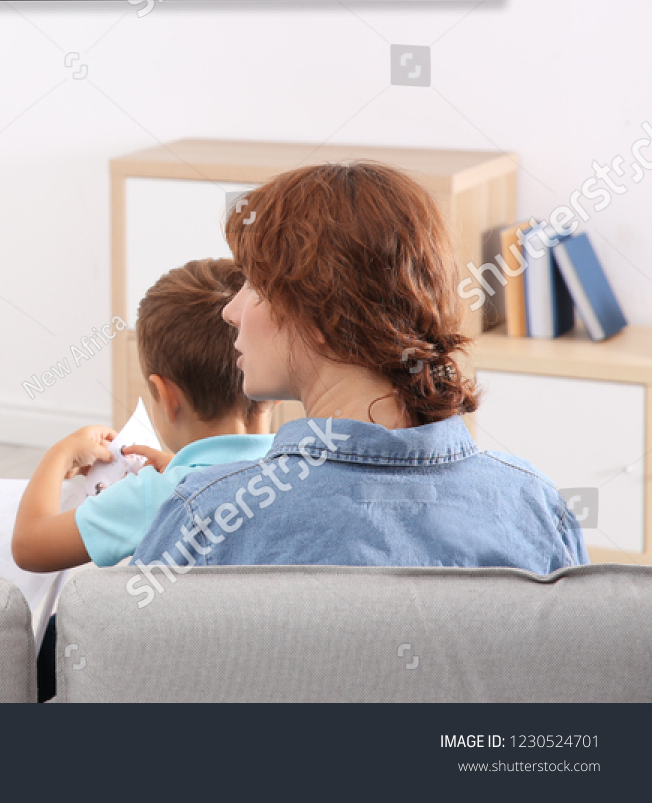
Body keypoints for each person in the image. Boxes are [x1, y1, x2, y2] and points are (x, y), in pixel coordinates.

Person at [130, 162, 586, 592]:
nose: (231, 311)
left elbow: (120, 667)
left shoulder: (210, 514)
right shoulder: (537, 507)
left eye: (254, 285)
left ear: (323, 318)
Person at [12, 259, 273, 573]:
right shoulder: (301, 469)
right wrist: (181, 467)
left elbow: (30, 546)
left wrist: (59, 454)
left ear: (166, 397)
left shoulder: (159, 496)